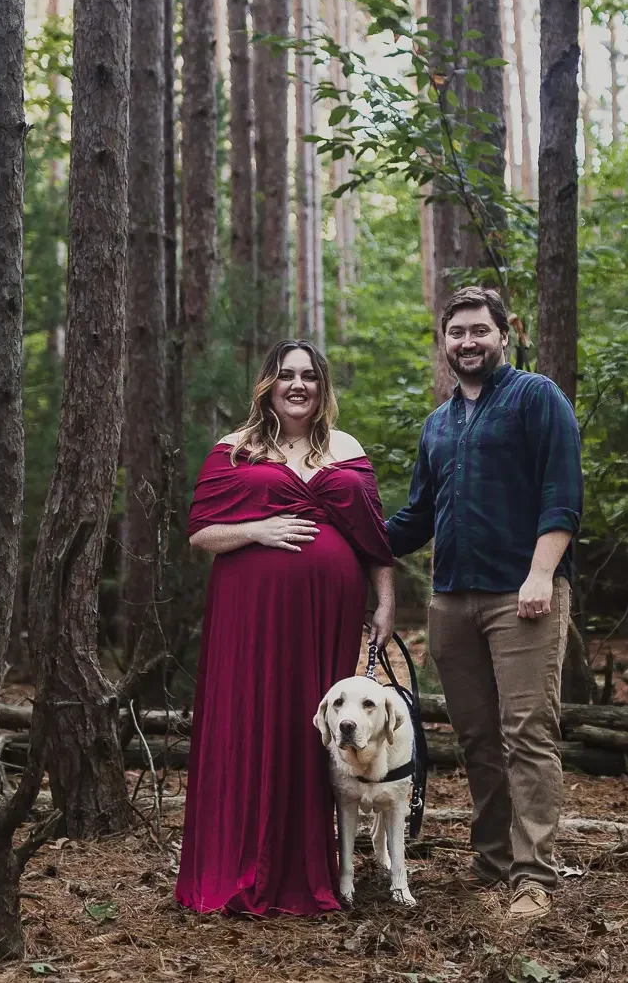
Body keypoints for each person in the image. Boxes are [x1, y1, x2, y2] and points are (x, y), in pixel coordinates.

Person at [175, 341, 398, 916]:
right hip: (248, 614)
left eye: (309, 377)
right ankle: (240, 862)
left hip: (325, 614)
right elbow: (201, 533)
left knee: (314, 730)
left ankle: (311, 866)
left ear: (322, 387)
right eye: (286, 375)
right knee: (252, 719)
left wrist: (385, 603)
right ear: (267, 383)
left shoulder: (346, 449)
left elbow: (374, 540)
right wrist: (260, 528)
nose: (297, 385)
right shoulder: (235, 449)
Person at [386, 285, 583, 923]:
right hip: (451, 602)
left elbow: (563, 493)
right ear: (444, 343)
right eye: (457, 333)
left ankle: (533, 876)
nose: (467, 342)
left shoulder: (535, 397)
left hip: (520, 595)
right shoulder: (438, 423)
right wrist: (342, 537)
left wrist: (541, 575)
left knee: (526, 733)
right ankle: (493, 860)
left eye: (479, 331)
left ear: (505, 334)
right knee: (476, 738)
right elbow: (416, 517)